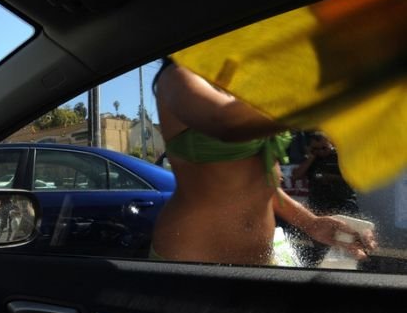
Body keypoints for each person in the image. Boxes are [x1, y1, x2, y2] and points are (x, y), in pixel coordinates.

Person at [150, 57, 375, 266]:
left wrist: (311, 223)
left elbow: (263, 186)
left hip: (263, 260)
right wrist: (333, 90)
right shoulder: (176, 75)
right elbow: (226, 121)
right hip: (194, 260)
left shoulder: (245, 85)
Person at [289, 131, 359, 265]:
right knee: (320, 243)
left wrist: (331, 178)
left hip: (342, 204)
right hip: (320, 205)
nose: (321, 152)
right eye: (316, 149)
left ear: (331, 144)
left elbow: (354, 180)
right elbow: (296, 176)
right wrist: (311, 157)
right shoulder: (311, 159)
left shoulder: (340, 157)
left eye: (324, 148)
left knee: (346, 241)